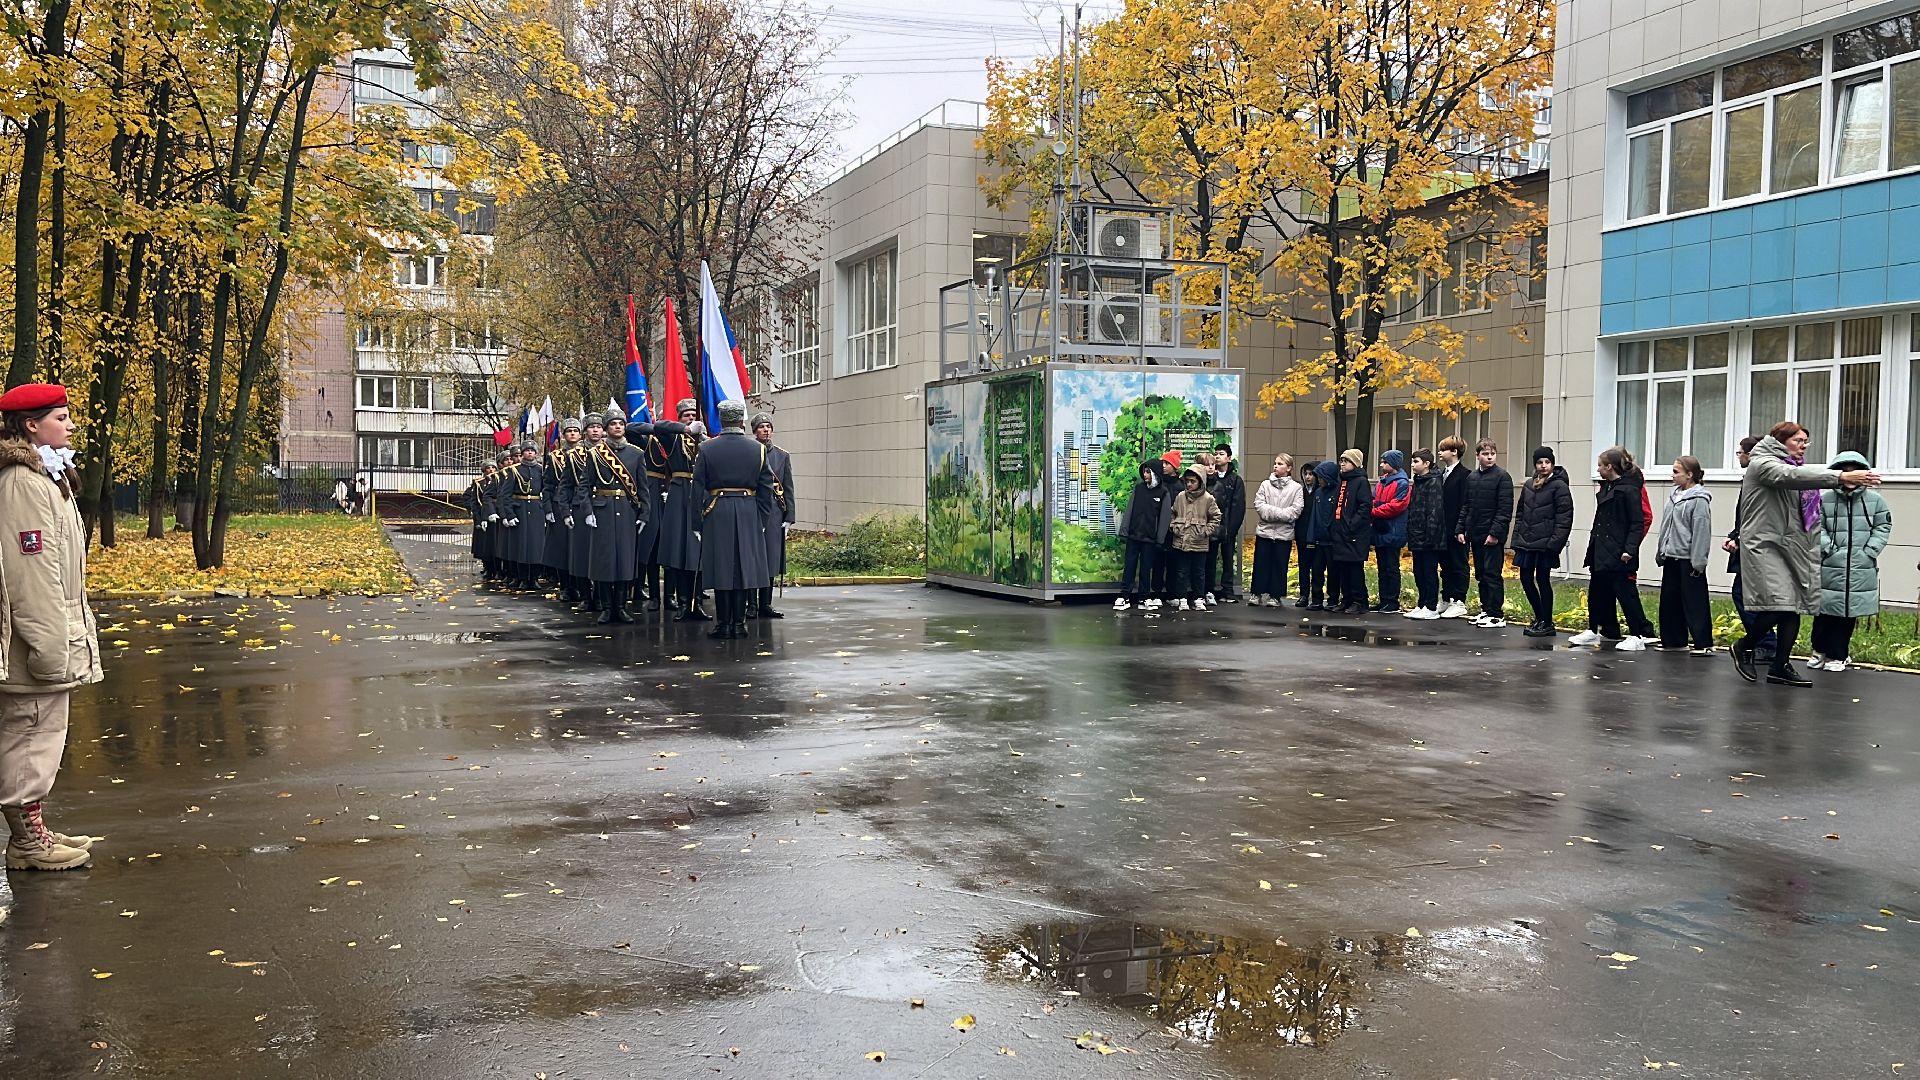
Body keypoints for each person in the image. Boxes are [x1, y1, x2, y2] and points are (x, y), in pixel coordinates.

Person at [0, 383, 101, 871]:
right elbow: (31, 575)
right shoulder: (24, 483)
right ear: (30, 425)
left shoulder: (47, 478)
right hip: (38, 640)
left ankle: (32, 827)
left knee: (39, 734)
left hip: (52, 632)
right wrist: (47, 646)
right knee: (31, 733)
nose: (71, 424)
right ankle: (26, 842)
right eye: (61, 416)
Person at [1732, 422, 1881, 686]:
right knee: (1781, 604)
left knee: (1794, 607)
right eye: (1798, 441)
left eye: (1805, 442)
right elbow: (1787, 477)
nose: (1803, 446)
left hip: (1790, 545)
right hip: (1766, 546)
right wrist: (1841, 477)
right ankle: (1744, 645)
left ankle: (1779, 667)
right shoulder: (1763, 463)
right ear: (1780, 441)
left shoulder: (1793, 467)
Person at [692, 400, 778, 639]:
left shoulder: (707, 448)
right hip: (748, 510)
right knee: (743, 568)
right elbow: (766, 488)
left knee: (721, 567)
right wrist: (761, 519)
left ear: (721, 420)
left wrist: (697, 521)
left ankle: (724, 624)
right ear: (741, 421)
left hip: (716, 509)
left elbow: (698, 487)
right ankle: (739, 624)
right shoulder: (758, 449)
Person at [1812, 450, 1892, 672]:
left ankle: (1838, 655)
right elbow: (1816, 526)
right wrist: (1828, 549)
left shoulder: (1875, 501)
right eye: (1844, 471)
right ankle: (1819, 650)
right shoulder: (1825, 500)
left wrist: (1870, 550)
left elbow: (1883, 526)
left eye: (1853, 471)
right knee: (1825, 609)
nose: (1849, 476)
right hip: (1831, 565)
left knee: (1847, 612)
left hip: (1860, 565)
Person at [1573, 446, 1657, 650]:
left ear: (1610, 467)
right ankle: (1594, 629)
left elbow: (1638, 522)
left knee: (1625, 592)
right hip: (1600, 547)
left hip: (1620, 551)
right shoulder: (1606, 487)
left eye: (1600, 466)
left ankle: (1638, 634)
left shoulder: (1629, 489)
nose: (1598, 469)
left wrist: (1630, 548)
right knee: (1596, 591)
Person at [581, 415, 649, 622]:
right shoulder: (595, 454)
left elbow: (642, 487)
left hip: (627, 511)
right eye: (613, 424)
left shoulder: (636, 454)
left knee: (624, 561)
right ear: (605, 429)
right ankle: (607, 607)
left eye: (620, 424)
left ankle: (620, 607)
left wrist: (644, 513)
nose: (617, 427)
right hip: (602, 511)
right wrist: (587, 511)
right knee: (604, 561)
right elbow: (584, 485)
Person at [653, 399, 709, 620]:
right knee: (679, 551)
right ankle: (683, 602)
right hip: (679, 495)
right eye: (686, 415)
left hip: (700, 495)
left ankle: (697, 601)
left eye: (693, 415)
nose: (691, 418)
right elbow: (658, 427)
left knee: (698, 553)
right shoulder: (673, 439)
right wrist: (686, 429)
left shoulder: (707, 443)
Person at [1509, 446, 1574, 637]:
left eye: (1547, 462)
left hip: (1545, 544)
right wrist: (1516, 538)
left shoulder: (1559, 486)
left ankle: (1547, 621)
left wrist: (1554, 544)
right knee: (1525, 579)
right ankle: (1539, 617)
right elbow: (1520, 513)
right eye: (1540, 462)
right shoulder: (1529, 485)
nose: (1543, 466)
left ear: (1552, 464)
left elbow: (1565, 517)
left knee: (1543, 580)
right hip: (1527, 542)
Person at [1654, 455, 1715, 654]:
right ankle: (1673, 641)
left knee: (1694, 602)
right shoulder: (1674, 496)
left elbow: (1701, 530)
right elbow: (1666, 526)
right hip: (1671, 555)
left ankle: (1703, 642)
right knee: (1670, 601)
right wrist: (1661, 550)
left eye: (1676, 472)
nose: (1672, 475)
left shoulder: (1699, 499)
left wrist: (1698, 561)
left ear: (1689, 475)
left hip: (1689, 559)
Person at [1721, 436, 1775, 662]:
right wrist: (1735, 535)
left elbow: (1756, 515)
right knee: (1744, 595)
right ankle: (1764, 641)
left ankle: (1766, 643)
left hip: (1756, 547)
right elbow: (1744, 514)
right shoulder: (1751, 478)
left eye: (1740, 452)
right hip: (1747, 542)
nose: (1739, 456)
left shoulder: (1759, 478)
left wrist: (1741, 537)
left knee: (1744, 595)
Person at [1454, 438, 1513, 627]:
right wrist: (1461, 528)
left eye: (1492, 454)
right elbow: (1466, 505)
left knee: (1492, 574)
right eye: (1485, 454)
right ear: (1478, 456)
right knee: (1480, 574)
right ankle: (1486, 610)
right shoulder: (1472, 478)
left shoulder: (1502, 477)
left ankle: (1497, 614)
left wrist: (1495, 533)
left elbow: (1504, 509)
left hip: (1492, 535)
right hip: (1475, 532)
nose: (1489, 457)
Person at [749, 414, 796, 619]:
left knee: (770, 558)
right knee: (752, 558)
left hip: (775, 513)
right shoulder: (748, 453)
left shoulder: (782, 455)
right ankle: (750, 604)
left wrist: (789, 516)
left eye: (768, 426)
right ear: (755, 431)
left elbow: (788, 487)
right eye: (761, 427)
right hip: (753, 510)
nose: (766, 430)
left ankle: (765, 604)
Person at [1116, 459, 1175, 612]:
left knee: (1146, 568)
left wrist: (1160, 538)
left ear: (1155, 473)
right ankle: (1124, 595)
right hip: (1134, 535)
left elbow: (1164, 517)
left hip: (1150, 538)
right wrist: (1125, 530)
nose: (1145, 474)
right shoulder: (1139, 488)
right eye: (1144, 471)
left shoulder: (1163, 492)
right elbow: (1129, 509)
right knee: (1129, 566)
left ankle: (1144, 596)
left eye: (1148, 471)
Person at [1250, 453, 1303, 607]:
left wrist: (1273, 513)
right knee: (1260, 563)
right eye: (1275, 463)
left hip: (1283, 534)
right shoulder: (1265, 485)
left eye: (1280, 464)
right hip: (1265, 532)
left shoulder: (1296, 488)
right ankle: (1256, 593)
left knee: (1280, 565)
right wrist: (1281, 513)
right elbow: (1259, 505)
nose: (1276, 466)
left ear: (1289, 468)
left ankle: (1275, 596)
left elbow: (1295, 511)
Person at [1402, 449, 1449, 619]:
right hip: (1416, 533)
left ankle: (1431, 606)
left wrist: (1430, 535)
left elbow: (1434, 510)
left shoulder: (1434, 481)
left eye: (1416, 462)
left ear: (1427, 464)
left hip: (1430, 537)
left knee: (1429, 571)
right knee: (1419, 570)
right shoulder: (1418, 481)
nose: (1413, 465)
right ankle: (1422, 603)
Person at [1167, 465, 1221, 611]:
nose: (1189, 484)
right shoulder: (1180, 496)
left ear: (1200, 482)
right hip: (1181, 540)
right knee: (1181, 571)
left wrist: (1206, 531)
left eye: (1193, 481)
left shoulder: (1208, 499)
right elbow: (1173, 513)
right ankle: (1182, 598)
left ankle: (1198, 598)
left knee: (1199, 572)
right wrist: (1174, 527)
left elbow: (1216, 516)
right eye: (1187, 481)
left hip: (1199, 541)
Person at [1327, 449, 1374, 616]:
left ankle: (1359, 600)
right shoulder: (1342, 481)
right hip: (1339, 532)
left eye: (1346, 461)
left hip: (1354, 534)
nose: (1342, 463)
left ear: (1355, 463)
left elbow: (1365, 506)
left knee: (1354, 569)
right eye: (1341, 460)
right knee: (1342, 568)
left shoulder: (1360, 481)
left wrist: (1352, 525)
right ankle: (1346, 598)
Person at [1369, 449, 1410, 612]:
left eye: (1385, 462)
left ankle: (1392, 601)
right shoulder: (1381, 482)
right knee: (1382, 566)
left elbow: (1397, 505)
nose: (1381, 465)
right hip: (1381, 529)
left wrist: (1374, 511)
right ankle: (1384, 598)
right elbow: (1373, 500)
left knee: (1391, 567)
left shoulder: (1402, 483)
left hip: (1393, 530)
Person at [543, 422, 580, 600]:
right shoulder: (554, 456)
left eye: (576, 431)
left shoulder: (587, 454)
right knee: (562, 548)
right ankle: (565, 586)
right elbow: (548, 485)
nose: (572, 434)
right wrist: (548, 509)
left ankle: (581, 586)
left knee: (579, 548)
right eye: (569, 431)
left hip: (580, 502)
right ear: (563, 435)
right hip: (559, 504)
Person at [1436, 435, 1472, 618]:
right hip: (1443, 529)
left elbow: (1465, 504)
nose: (1440, 453)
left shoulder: (1464, 475)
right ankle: (1447, 597)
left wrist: (1461, 528)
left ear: (1454, 452)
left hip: (1457, 528)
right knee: (1446, 565)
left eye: (1443, 450)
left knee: (1458, 563)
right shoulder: (1442, 474)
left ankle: (1459, 600)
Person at [1206, 444, 1246, 603]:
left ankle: (1227, 590)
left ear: (1229, 458)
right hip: (1212, 527)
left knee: (1228, 559)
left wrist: (1232, 528)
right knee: (1210, 559)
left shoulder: (1235, 480)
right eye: (1215, 454)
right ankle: (1209, 589)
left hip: (1228, 527)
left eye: (1221, 454)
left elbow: (1238, 506)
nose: (1217, 457)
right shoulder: (1210, 477)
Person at [1303, 459, 1340, 609]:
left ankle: (1333, 599)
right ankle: (1316, 599)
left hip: (1332, 540)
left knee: (1333, 572)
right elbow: (1314, 516)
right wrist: (1311, 537)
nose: (1319, 480)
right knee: (1317, 571)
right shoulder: (1318, 493)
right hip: (1319, 539)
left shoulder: (1337, 492)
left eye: (1321, 477)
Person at [1150, 453, 1181, 606]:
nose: (1163, 466)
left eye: (1167, 463)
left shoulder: (1181, 486)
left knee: (1174, 563)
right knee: (1158, 562)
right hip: (1159, 529)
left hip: (1175, 531)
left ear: (1174, 466)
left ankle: (1172, 593)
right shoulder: (1158, 484)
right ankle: (1155, 592)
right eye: (1162, 463)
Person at [1292, 460, 1321, 607]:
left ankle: (1317, 596)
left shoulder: (1320, 492)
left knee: (1317, 568)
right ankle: (1304, 594)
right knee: (1303, 566)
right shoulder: (1301, 492)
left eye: (1311, 474)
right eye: (1306, 474)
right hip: (1302, 534)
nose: (1308, 477)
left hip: (1316, 536)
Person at [466, 462, 496, 574]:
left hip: (494, 514)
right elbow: (474, 501)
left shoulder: (498, 480)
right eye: (488, 468)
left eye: (493, 467)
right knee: (484, 545)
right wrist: (477, 518)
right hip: (482, 514)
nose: (491, 470)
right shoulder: (479, 483)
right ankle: (487, 566)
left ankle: (496, 568)